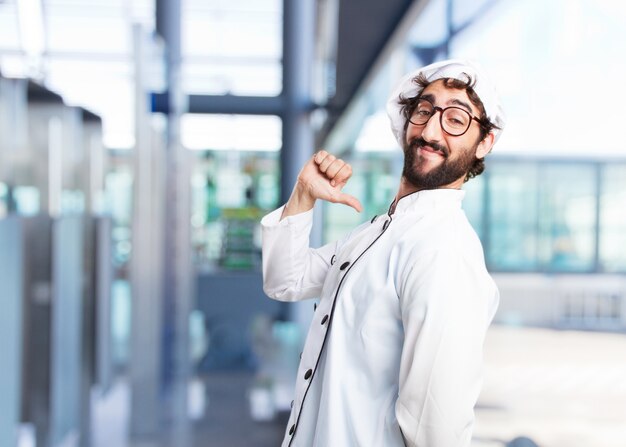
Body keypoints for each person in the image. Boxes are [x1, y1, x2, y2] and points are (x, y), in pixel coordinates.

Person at [261, 59, 506, 447]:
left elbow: (435, 430)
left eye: (456, 118)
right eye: (424, 110)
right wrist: (303, 196)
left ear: (484, 143)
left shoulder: (442, 249)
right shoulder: (376, 234)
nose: (430, 130)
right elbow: (284, 281)